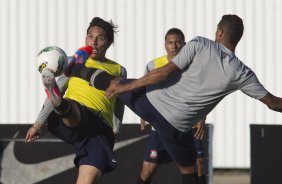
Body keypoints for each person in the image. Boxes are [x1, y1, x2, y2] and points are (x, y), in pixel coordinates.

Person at [103, 14, 282, 184]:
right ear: (238, 38)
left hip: (150, 104)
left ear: (219, 32)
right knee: (189, 170)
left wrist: (125, 87)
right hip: (177, 126)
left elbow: (164, 73)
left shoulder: (200, 43)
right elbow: (274, 104)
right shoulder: (242, 73)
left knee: (114, 81)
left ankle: (80, 71)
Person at [25, 17, 127, 184]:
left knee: (86, 180)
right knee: (72, 109)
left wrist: (116, 128)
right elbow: (57, 89)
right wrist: (38, 124)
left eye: (100, 38)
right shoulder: (73, 62)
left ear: (108, 43)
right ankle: (61, 105)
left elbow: (120, 101)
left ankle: (62, 106)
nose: (93, 42)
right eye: (90, 36)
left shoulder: (119, 70)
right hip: (77, 114)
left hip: (100, 130)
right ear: (85, 38)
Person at [138, 28, 207, 184]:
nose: (174, 46)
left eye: (177, 42)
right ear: (165, 45)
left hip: (186, 126)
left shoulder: (193, 66)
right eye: (170, 42)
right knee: (147, 171)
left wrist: (202, 118)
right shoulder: (153, 65)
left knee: (198, 165)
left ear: (185, 44)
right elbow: (144, 90)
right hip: (160, 127)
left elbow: (202, 95)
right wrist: (143, 114)